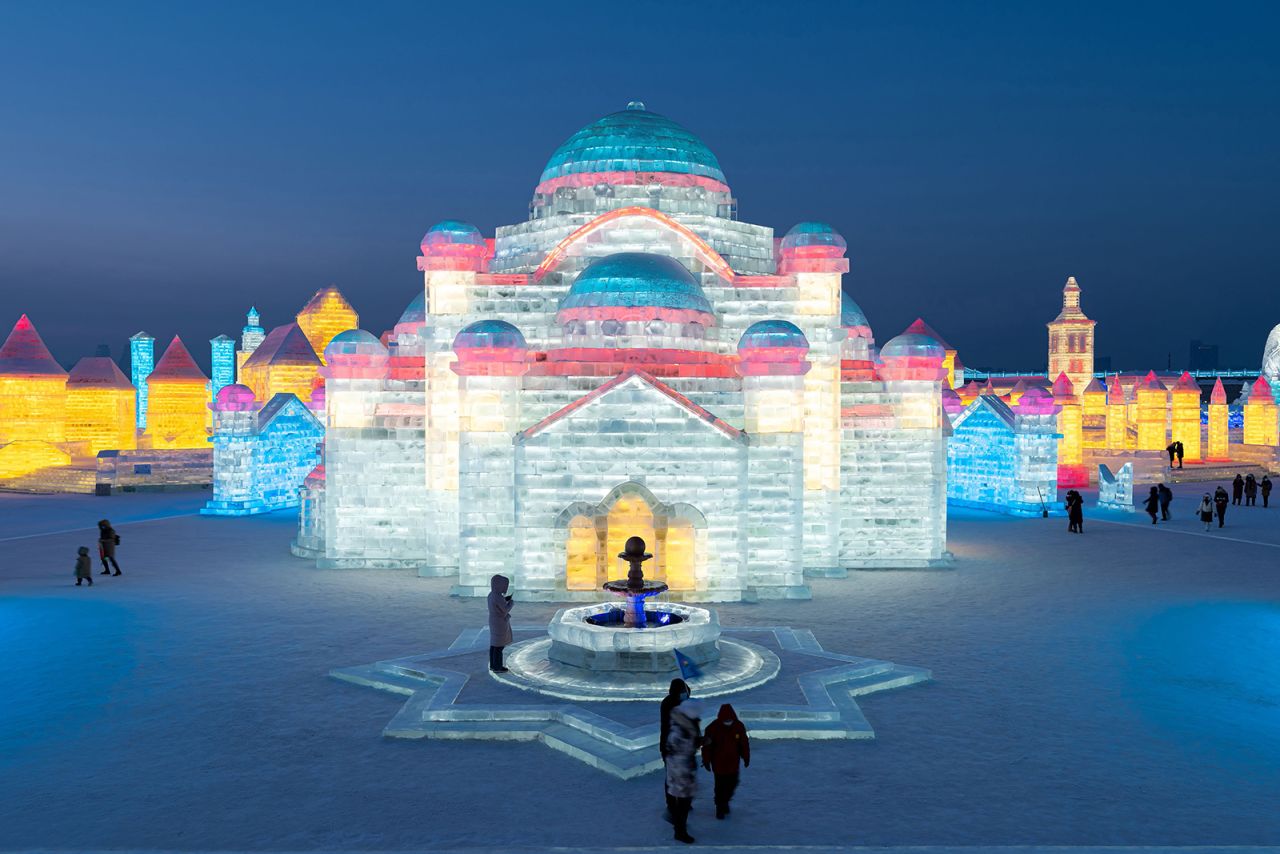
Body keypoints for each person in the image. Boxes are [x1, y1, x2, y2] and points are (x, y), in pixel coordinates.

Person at [701, 703, 750, 820]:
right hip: (719, 764)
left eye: (730, 719)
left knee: (733, 783)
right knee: (720, 786)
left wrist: (746, 757)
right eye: (725, 720)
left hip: (733, 762)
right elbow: (707, 747)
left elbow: (744, 744)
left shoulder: (739, 726)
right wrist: (706, 760)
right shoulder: (712, 728)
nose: (728, 721)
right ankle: (720, 807)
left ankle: (725, 801)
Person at [665, 701, 703, 844]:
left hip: (683, 771)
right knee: (683, 804)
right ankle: (679, 832)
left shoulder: (684, 725)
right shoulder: (680, 731)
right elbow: (680, 754)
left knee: (683, 803)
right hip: (681, 773)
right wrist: (698, 742)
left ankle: (676, 820)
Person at [660, 678, 691, 818]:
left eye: (685, 691)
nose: (684, 694)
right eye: (682, 692)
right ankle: (672, 805)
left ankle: (684, 802)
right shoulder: (668, 704)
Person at [486, 574, 513, 673]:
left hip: (493, 621)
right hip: (499, 623)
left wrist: (504, 600)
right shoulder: (497, 597)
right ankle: (498, 666)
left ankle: (493, 665)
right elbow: (505, 610)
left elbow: (498, 605)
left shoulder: (491, 595)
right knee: (499, 646)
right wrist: (511, 603)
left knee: (494, 644)